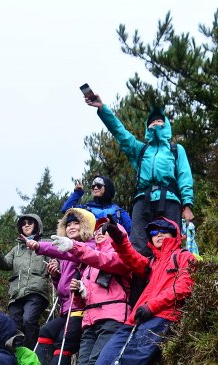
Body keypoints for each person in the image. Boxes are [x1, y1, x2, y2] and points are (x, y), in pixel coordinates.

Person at [63, 217, 195, 365]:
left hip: (163, 316)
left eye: (165, 230)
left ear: (176, 235)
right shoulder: (152, 262)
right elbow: (130, 257)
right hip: (139, 317)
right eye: (154, 231)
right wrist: (118, 236)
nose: (158, 234)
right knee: (108, 352)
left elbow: (183, 288)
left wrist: (151, 307)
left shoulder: (185, 257)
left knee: (128, 356)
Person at [29, 213, 133, 365]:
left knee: (72, 349)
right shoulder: (87, 263)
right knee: (51, 337)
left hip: (105, 315)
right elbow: (68, 290)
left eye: (106, 230)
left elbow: (100, 259)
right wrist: (61, 280)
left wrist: (40, 246)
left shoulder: (96, 252)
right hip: (85, 315)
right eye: (67, 225)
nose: (100, 233)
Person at [83, 94, 194, 266]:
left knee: (170, 244)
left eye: (159, 121)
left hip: (170, 200)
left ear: (166, 125)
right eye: (152, 122)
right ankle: (138, 289)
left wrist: (187, 205)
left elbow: (184, 176)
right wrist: (102, 108)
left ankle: (169, 284)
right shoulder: (141, 150)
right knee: (138, 246)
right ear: (147, 127)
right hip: (142, 201)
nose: (155, 124)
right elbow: (120, 133)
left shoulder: (175, 150)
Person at [32, 209, 93, 365]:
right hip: (67, 307)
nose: (72, 227)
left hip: (81, 307)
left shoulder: (87, 246)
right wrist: (56, 276)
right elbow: (62, 289)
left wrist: (39, 246)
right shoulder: (67, 252)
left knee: (64, 345)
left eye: (76, 223)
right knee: (45, 332)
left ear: (86, 227)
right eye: (68, 224)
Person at [0, 214, 52, 349]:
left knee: (28, 320)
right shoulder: (16, 249)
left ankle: (32, 353)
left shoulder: (45, 244)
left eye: (30, 222)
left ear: (37, 225)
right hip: (16, 293)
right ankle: (17, 356)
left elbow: (57, 259)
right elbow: (5, 265)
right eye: (23, 223)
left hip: (36, 291)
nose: (26, 225)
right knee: (14, 326)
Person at [60, 175, 132, 231]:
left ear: (107, 188)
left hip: (112, 247)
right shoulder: (86, 208)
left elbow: (130, 231)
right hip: (91, 246)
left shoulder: (118, 212)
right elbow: (66, 209)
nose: (95, 188)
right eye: (93, 186)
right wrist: (78, 192)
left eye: (99, 186)